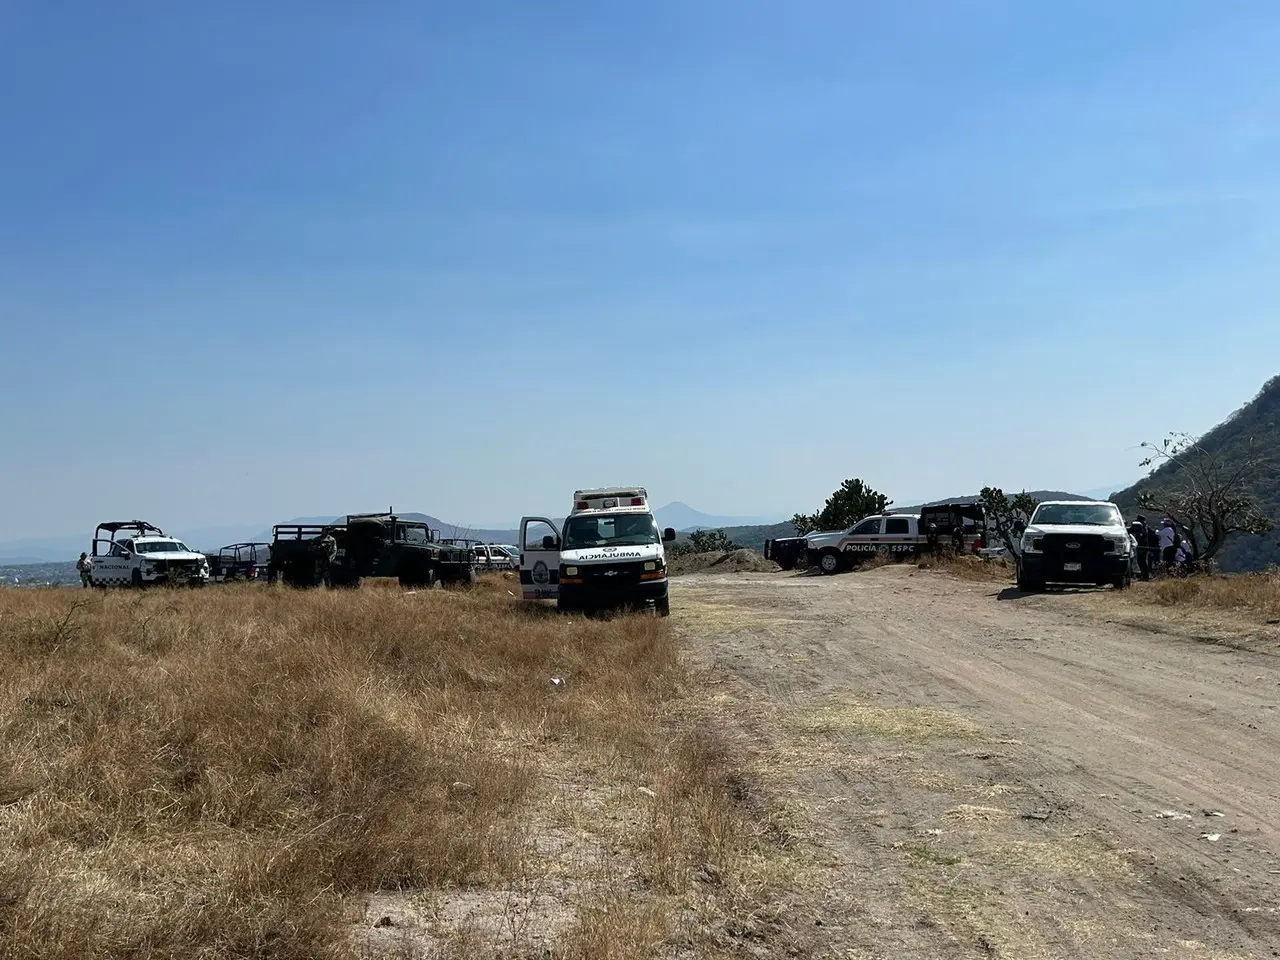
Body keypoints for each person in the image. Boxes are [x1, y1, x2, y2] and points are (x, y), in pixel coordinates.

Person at [1130, 515, 1151, 580]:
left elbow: (1142, 538)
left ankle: (1145, 576)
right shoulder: (1144, 527)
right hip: (1142, 546)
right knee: (1142, 561)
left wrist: (1141, 548)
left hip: (1142, 546)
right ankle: (1144, 575)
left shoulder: (1142, 528)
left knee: (1142, 561)